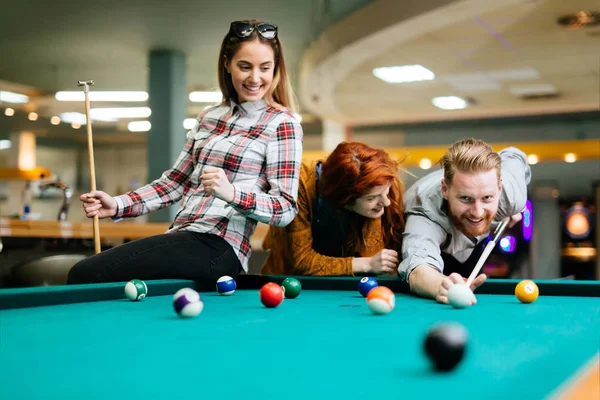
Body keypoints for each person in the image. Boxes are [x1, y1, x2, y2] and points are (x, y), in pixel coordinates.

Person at [67, 20, 303, 284]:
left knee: (84, 273)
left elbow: (284, 209)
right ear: (227, 64)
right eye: (244, 66)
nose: (255, 78)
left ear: (276, 69)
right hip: (182, 237)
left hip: (219, 247)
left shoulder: (282, 124)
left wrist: (233, 194)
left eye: (265, 68)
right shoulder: (209, 117)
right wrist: (118, 205)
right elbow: (174, 182)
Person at [398, 138, 531, 304]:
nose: (477, 212)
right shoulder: (424, 211)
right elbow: (418, 270)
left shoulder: (511, 196)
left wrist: (513, 208)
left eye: (487, 198)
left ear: (499, 188)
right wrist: (441, 285)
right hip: (439, 255)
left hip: (474, 249)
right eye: (466, 198)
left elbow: (514, 154)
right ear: (445, 190)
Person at [261, 141, 405, 276]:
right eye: (371, 198)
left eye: (385, 192)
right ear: (345, 201)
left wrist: (370, 263)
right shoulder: (298, 185)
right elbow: (302, 260)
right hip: (290, 281)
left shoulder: (383, 182)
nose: (387, 203)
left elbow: (374, 257)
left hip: (352, 287)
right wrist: (366, 264)